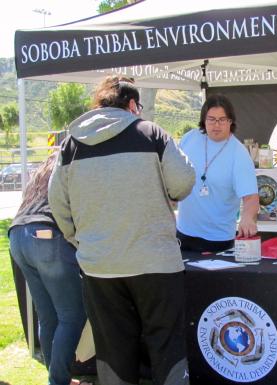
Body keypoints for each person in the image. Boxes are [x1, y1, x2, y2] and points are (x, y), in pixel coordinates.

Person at [48, 76, 195, 385]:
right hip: (156, 263)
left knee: (113, 350)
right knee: (166, 345)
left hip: (100, 265)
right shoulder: (152, 133)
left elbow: (57, 202)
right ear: (131, 104)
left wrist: (81, 240)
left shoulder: (70, 144)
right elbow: (182, 184)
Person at [9, 153, 87, 385]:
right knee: (72, 316)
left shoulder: (42, 172)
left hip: (18, 235)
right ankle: (58, 380)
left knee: (48, 316)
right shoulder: (74, 167)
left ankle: (58, 377)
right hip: (47, 236)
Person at [176, 94, 259, 252]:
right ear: (203, 120)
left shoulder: (239, 154)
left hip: (218, 240)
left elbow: (251, 198)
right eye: (211, 119)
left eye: (222, 119)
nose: (216, 125)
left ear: (230, 121)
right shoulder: (189, 139)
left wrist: (247, 218)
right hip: (183, 234)